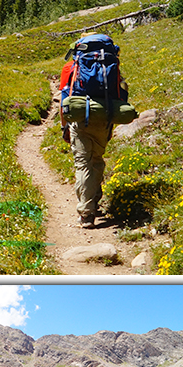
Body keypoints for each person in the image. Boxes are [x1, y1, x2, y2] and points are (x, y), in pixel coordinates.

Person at [59, 34, 129, 229]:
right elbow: (121, 90)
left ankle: (86, 213)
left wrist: (64, 125)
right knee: (96, 160)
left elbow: (65, 97)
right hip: (105, 116)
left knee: (83, 164)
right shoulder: (110, 64)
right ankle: (94, 200)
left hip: (81, 118)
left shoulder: (71, 67)